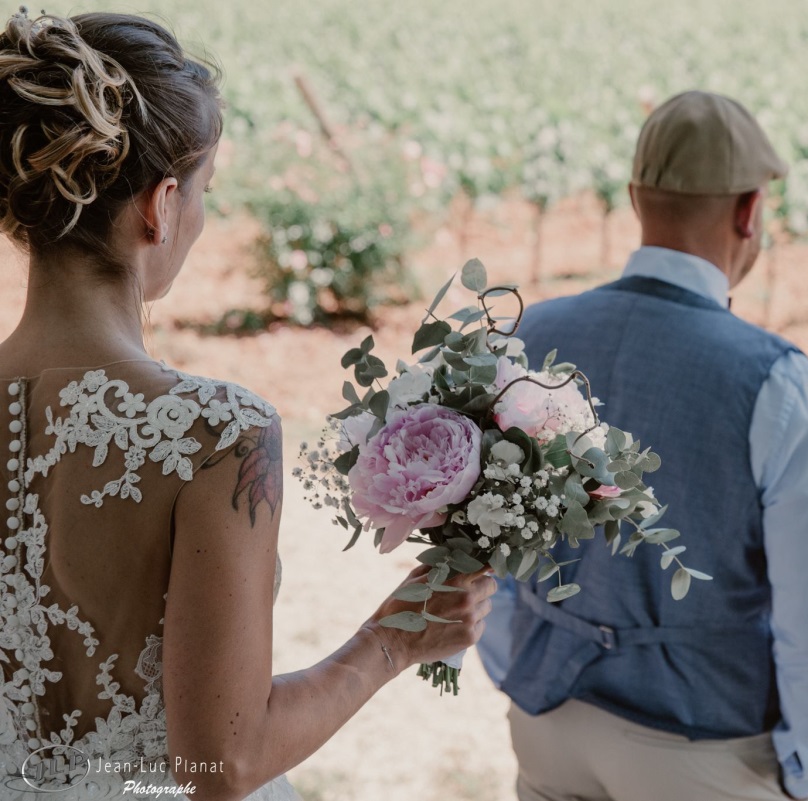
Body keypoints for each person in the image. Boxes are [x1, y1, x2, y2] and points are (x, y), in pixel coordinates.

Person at [0, 11, 495, 800]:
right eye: (204, 193)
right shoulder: (216, 434)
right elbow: (219, 765)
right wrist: (400, 637)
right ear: (160, 206)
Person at [477, 90, 808, 801]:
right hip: (703, 743)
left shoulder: (530, 337)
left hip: (547, 718)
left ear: (636, 199)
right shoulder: (775, 379)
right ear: (749, 210)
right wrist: (802, 764)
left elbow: (488, 546)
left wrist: (516, 666)